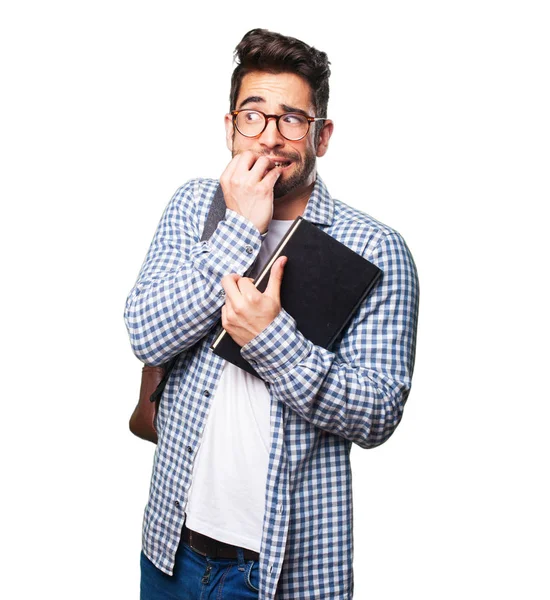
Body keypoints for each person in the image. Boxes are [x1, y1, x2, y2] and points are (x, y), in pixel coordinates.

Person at [125, 28, 419, 600]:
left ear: (322, 135)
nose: (269, 137)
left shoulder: (376, 248)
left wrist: (271, 340)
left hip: (288, 569)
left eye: (292, 120)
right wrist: (241, 228)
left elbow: (379, 412)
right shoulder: (193, 205)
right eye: (253, 116)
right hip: (170, 549)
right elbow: (145, 333)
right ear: (230, 126)